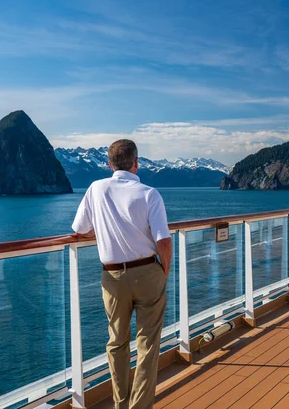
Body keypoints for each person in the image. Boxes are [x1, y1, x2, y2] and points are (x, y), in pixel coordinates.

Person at [72, 139, 172, 409]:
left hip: (113, 277)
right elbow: (163, 240)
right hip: (148, 273)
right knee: (148, 345)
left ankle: (120, 404)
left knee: (117, 343)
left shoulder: (96, 189)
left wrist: (104, 230)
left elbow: (81, 229)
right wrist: (164, 272)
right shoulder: (149, 193)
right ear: (136, 163)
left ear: (109, 164)